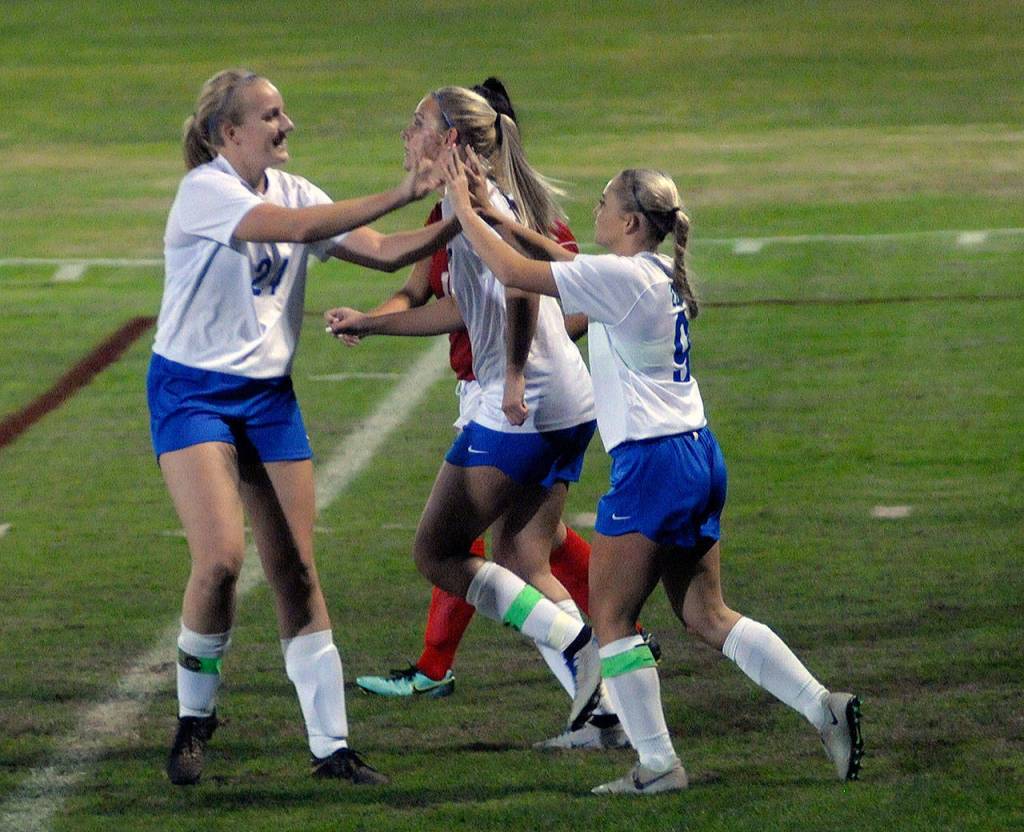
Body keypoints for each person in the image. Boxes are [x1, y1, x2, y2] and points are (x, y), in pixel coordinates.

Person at [441, 155, 865, 794]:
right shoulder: (656, 271)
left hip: (653, 465)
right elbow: (554, 257)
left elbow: (512, 270)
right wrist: (497, 212)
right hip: (696, 454)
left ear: (631, 220)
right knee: (706, 613)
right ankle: (821, 705)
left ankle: (659, 765)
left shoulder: (622, 279)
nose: (595, 210)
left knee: (609, 619)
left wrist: (463, 210)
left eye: (606, 202)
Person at [149, 68, 451, 787]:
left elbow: (380, 250)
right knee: (221, 560)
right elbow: (297, 230)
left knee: (296, 570)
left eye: (284, 112)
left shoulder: (295, 187)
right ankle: (195, 719)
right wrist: (408, 189)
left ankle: (331, 748)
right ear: (230, 135)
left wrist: (462, 214)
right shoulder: (206, 191)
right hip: (192, 394)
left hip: (268, 401)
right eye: (272, 115)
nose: (288, 125)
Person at [343, 80, 639, 742]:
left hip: (525, 401)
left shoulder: (478, 203)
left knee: (437, 550)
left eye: (416, 123)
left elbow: (519, 289)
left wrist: (507, 375)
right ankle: (608, 713)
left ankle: (577, 643)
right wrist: (376, 323)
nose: (404, 134)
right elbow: (460, 306)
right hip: (559, 398)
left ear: (450, 140)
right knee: (521, 553)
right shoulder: (468, 202)